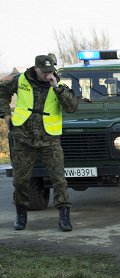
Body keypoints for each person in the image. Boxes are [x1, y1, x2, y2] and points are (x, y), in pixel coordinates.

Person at [0, 53, 78, 231]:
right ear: (36, 68)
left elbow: (72, 107)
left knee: (59, 179)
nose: (47, 74)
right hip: (23, 137)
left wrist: (56, 87)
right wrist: (5, 113)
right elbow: (2, 91)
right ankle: (21, 214)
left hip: (49, 139)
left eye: (50, 71)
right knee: (20, 180)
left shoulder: (58, 85)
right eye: (44, 71)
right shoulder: (20, 80)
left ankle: (64, 216)